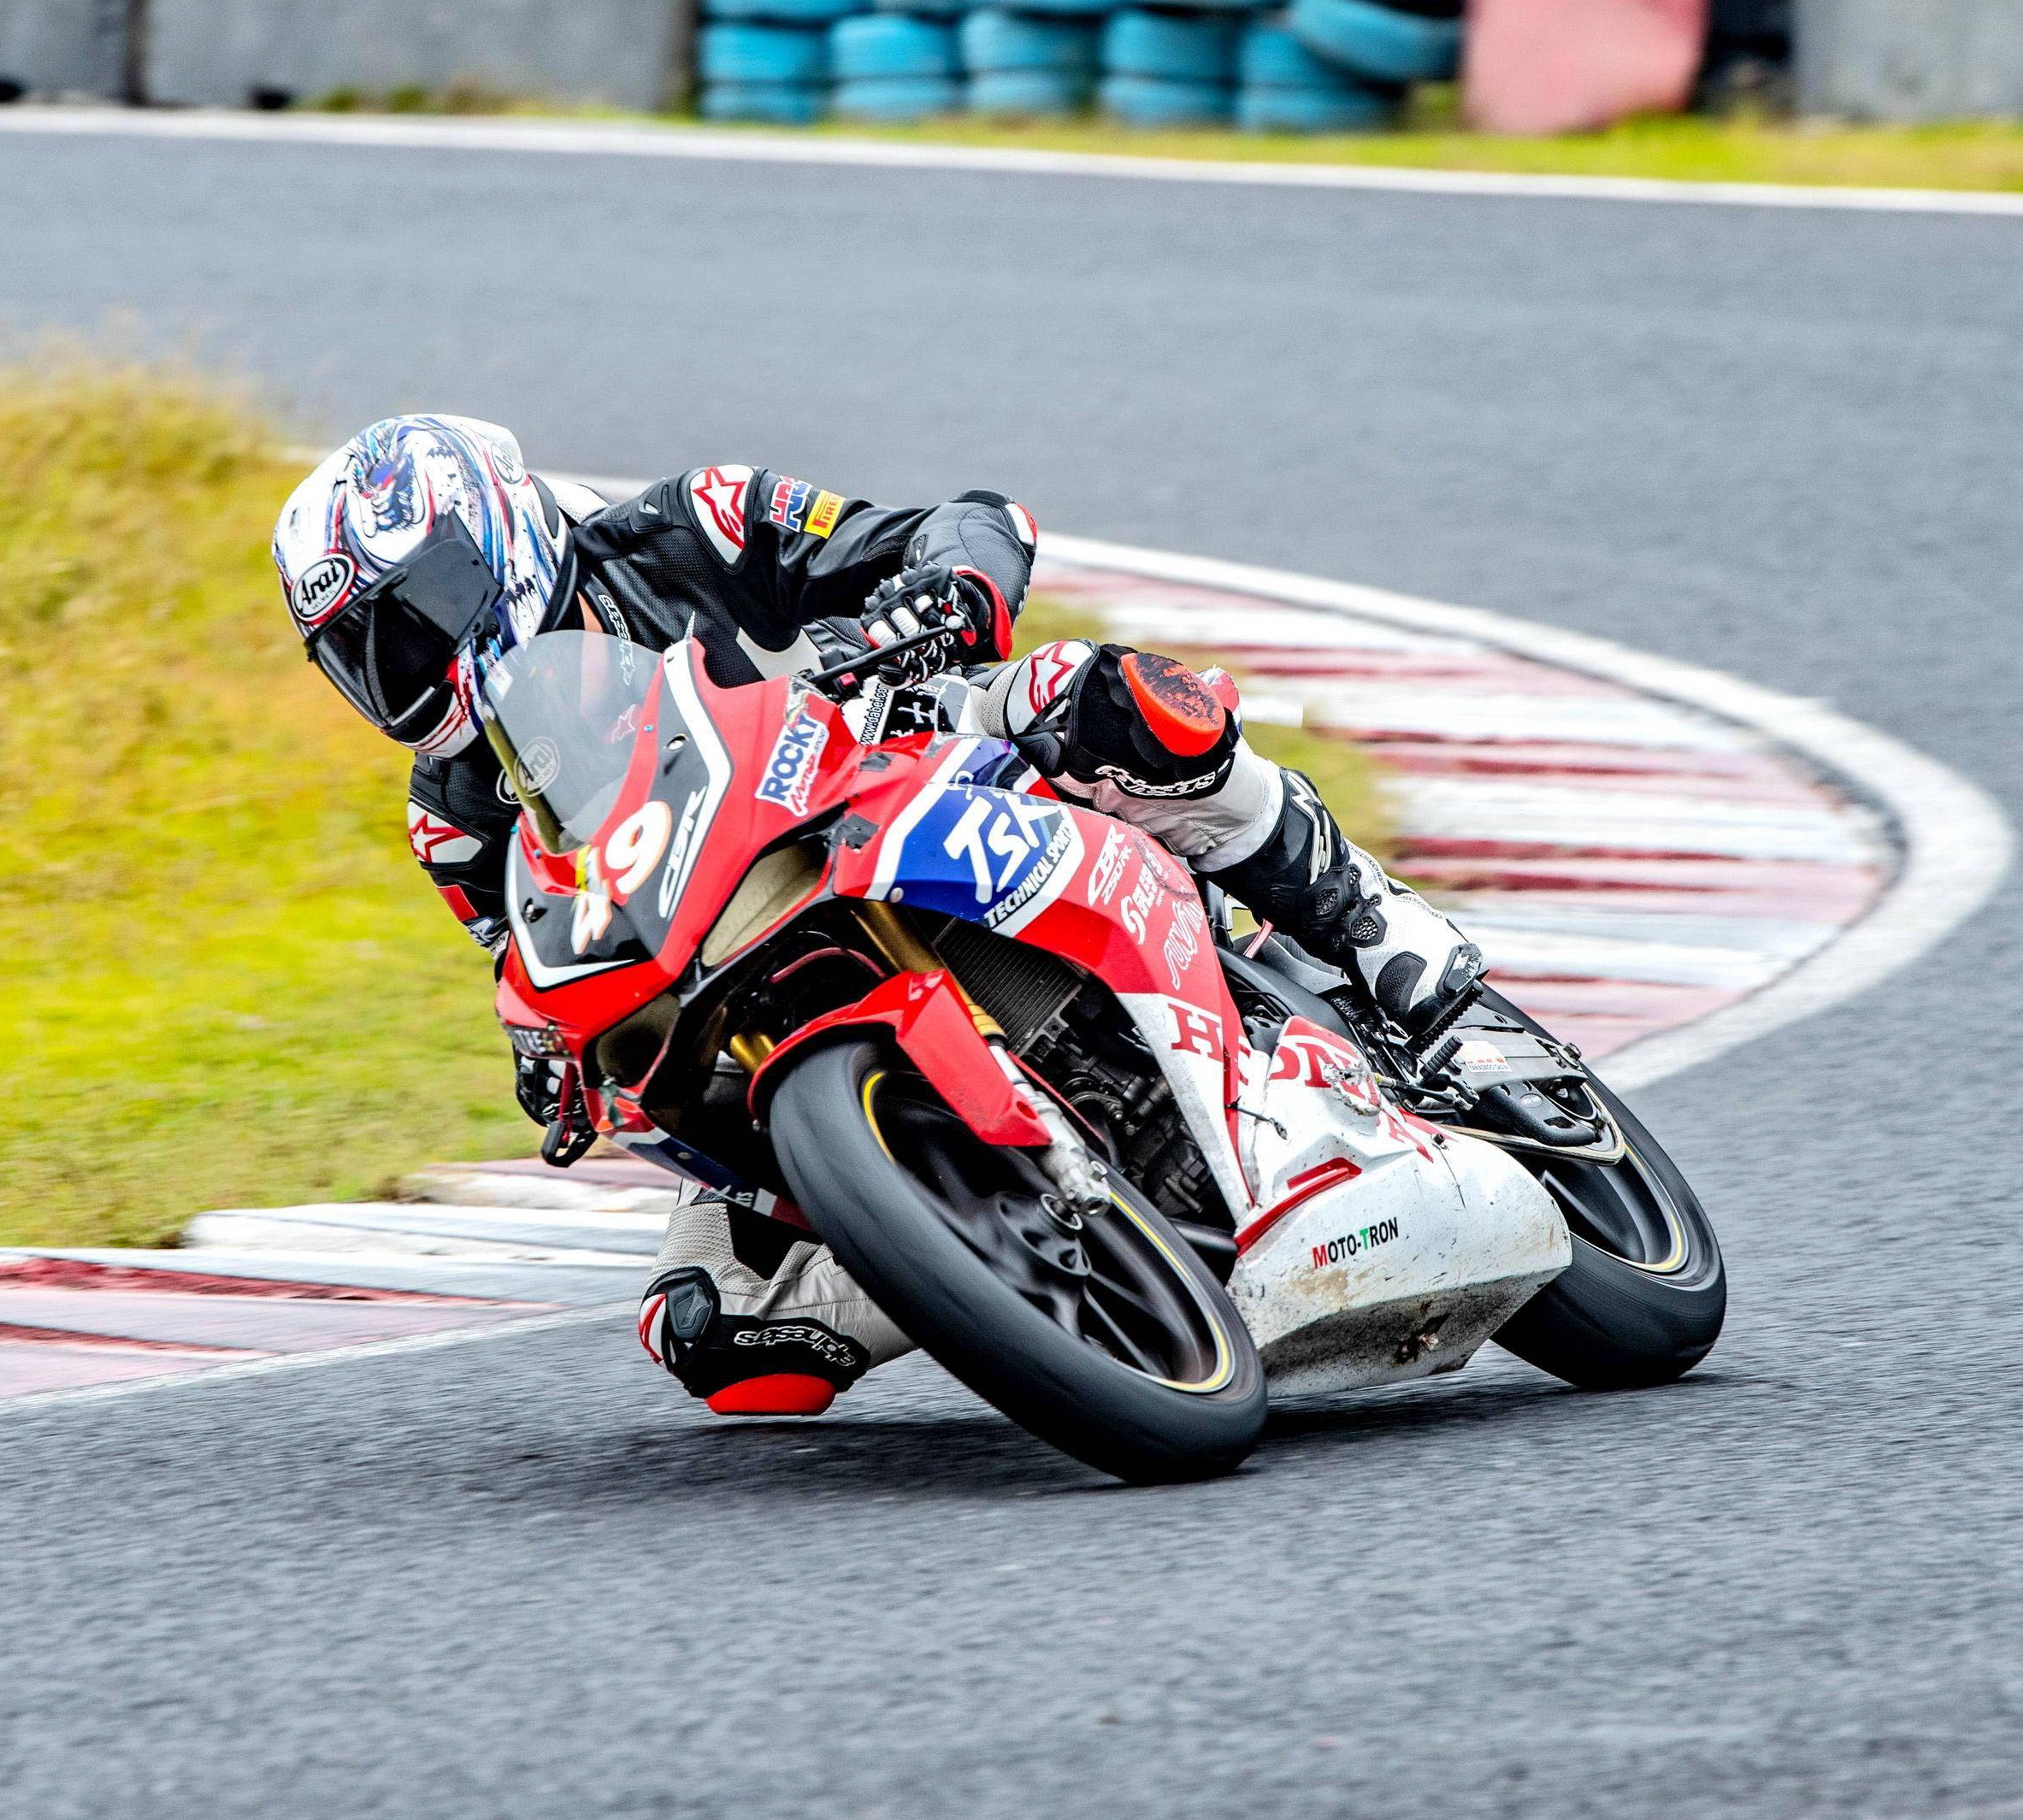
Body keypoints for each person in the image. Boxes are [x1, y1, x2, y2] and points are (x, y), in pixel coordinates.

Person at [272, 415, 1484, 1417]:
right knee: (714, 1333)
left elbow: (972, 525)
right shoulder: (453, 815)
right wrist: (554, 1052)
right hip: (741, 980)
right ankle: (995, 1257)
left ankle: (1377, 932)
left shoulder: (689, 525)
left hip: (903, 782)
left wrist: (931, 597)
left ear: (490, 535)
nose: (405, 665)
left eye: (416, 614)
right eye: (364, 655)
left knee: (1105, 699)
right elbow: (537, 954)